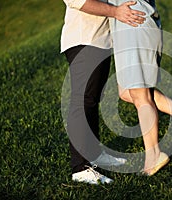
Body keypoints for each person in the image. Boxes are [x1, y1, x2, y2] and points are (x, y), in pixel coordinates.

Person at [109, 0, 172, 175]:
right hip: (125, 24)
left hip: (134, 23)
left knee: (140, 94)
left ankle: (154, 155)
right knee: (125, 92)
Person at [60, 0, 146, 184]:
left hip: (101, 41)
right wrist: (115, 11)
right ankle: (80, 168)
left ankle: (94, 155)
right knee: (83, 100)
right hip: (84, 39)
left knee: (92, 99)